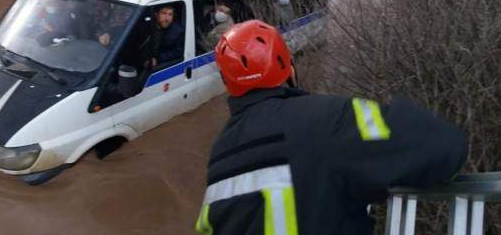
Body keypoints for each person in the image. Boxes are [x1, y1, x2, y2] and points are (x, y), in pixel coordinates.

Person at [195, 20, 467, 235]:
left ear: (227, 84)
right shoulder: (330, 118)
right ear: (287, 67)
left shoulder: (218, 160)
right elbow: (444, 147)